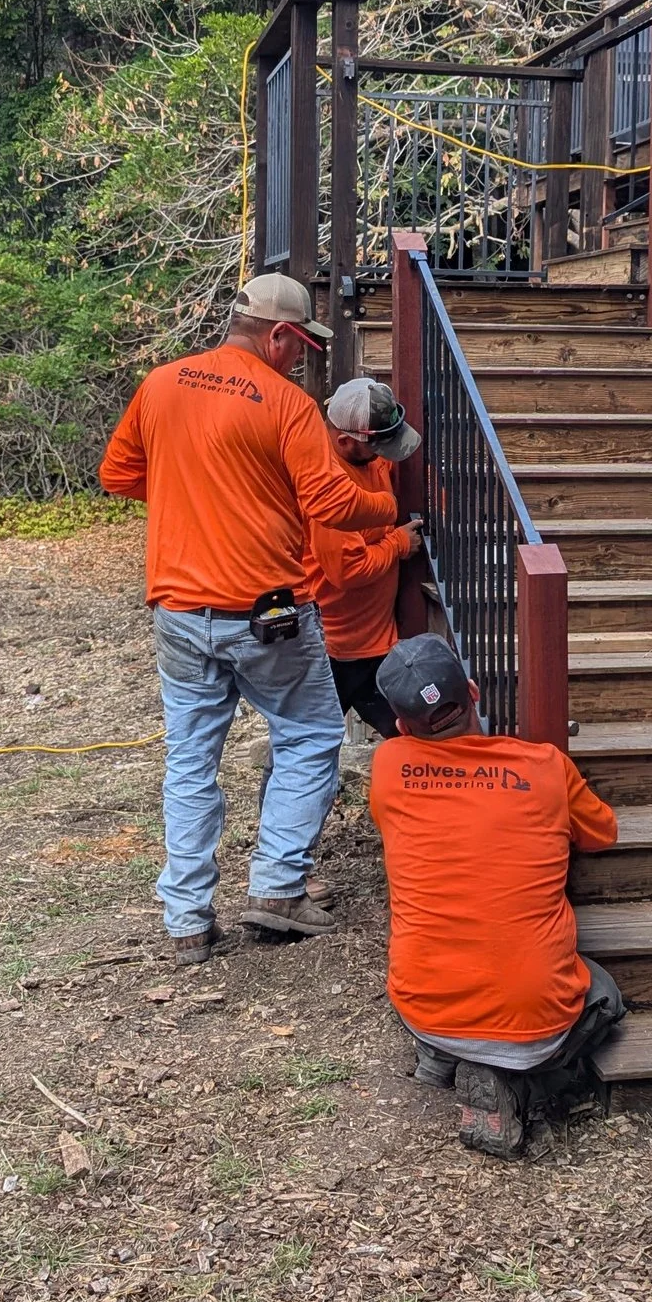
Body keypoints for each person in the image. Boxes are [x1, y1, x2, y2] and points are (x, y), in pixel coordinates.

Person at [100, 272, 400, 966]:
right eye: (302, 346)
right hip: (268, 615)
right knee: (311, 731)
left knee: (190, 762)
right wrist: (392, 515)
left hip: (178, 612)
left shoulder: (161, 383)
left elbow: (118, 475)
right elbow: (333, 505)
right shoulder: (285, 403)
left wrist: (191, 492)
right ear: (280, 336)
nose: (302, 360)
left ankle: (186, 921)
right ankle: (276, 887)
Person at [366, 634, 627, 1157]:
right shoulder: (546, 766)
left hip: (426, 1004)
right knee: (605, 996)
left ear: (400, 725)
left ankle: (444, 1056)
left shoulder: (389, 768)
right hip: (536, 1019)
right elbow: (604, 833)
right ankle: (523, 1085)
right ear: (474, 692)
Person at [310, 377, 423, 740]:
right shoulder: (327, 488)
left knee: (411, 735)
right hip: (334, 650)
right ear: (345, 440)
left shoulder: (370, 458)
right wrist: (399, 544)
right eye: (379, 443)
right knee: (309, 747)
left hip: (377, 644)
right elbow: (348, 570)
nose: (385, 454)